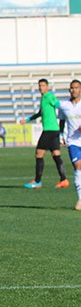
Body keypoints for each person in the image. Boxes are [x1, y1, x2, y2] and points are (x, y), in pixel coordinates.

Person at [22, 78, 68, 189]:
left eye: (43, 85)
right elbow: (40, 113)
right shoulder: (43, 98)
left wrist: (67, 116)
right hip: (54, 130)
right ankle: (64, 180)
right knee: (56, 154)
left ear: (47, 86)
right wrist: (27, 120)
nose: (40, 88)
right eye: (39, 85)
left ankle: (37, 181)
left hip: (49, 131)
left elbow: (59, 106)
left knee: (39, 154)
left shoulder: (49, 96)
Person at [58, 79, 81, 210]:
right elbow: (61, 121)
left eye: (76, 88)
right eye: (72, 88)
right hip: (73, 141)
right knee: (78, 167)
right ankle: (80, 199)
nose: (74, 90)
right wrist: (62, 136)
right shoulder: (64, 105)